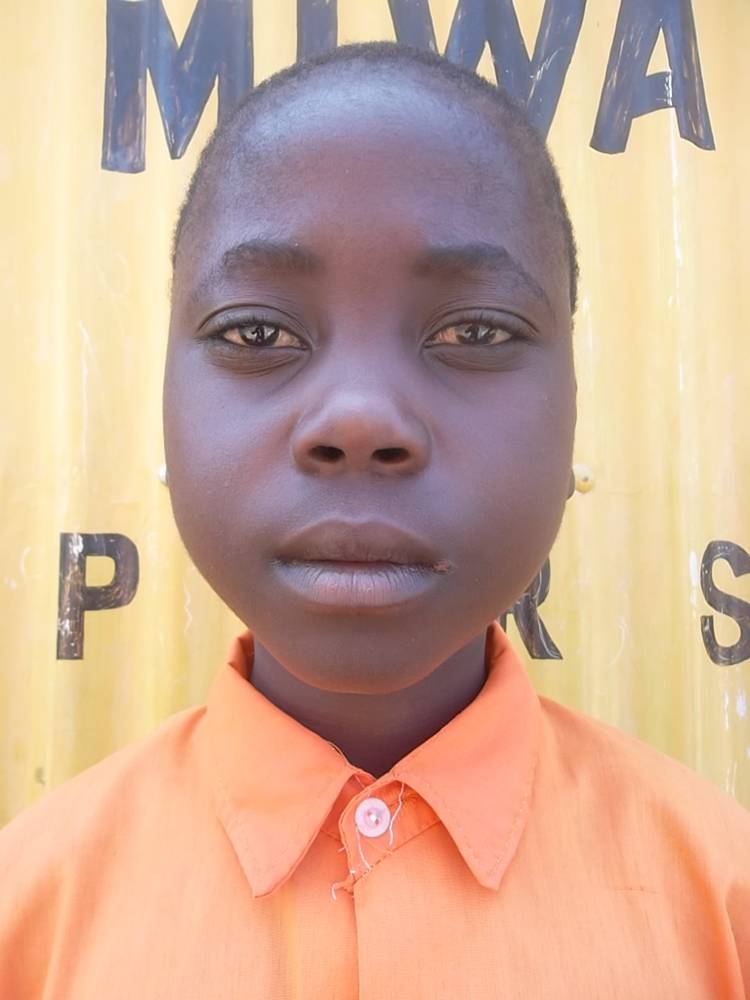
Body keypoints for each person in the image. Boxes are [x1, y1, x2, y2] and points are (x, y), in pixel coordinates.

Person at [1, 41, 748, 998]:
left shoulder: (721, 903)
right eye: (258, 332)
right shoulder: (31, 914)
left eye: (474, 331)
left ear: (572, 404)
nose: (359, 419)